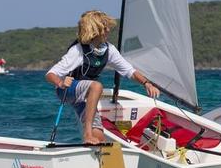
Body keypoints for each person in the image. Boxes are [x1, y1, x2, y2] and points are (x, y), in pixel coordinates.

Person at [44, 10, 159, 144]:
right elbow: (50, 74)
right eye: (105, 27)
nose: (109, 30)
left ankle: (92, 142)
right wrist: (61, 82)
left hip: (86, 95)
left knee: (99, 137)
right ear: (95, 30)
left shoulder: (108, 49)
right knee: (96, 86)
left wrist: (146, 83)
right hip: (67, 90)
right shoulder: (78, 50)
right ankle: (87, 134)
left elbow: (129, 70)